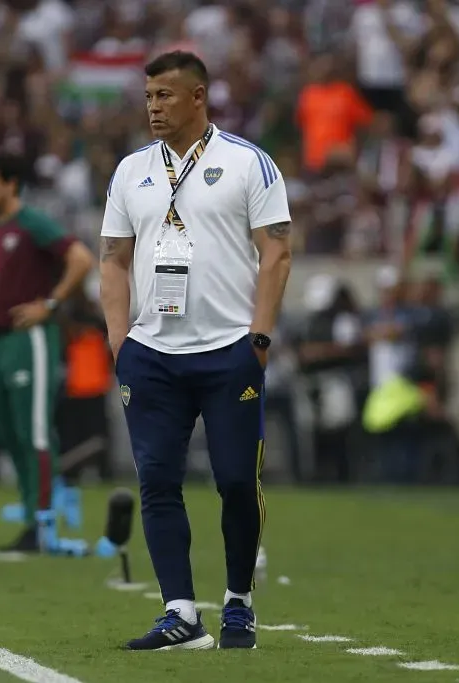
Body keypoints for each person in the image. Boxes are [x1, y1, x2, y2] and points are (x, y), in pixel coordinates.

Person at [99, 51, 291, 651]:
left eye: (164, 96)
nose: (153, 107)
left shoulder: (247, 164)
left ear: (198, 97)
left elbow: (277, 252)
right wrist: (118, 338)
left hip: (229, 348)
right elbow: (112, 257)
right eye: (149, 96)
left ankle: (238, 601)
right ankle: (180, 612)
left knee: (236, 481)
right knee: (157, 481)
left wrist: (258, 338)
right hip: (151, 353)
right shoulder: (132, 170)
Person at [0, 152, 95, 553]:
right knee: (8, 432)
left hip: (29, 339)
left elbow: (80, 258)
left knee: (33, 431)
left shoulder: (31, 223)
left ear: (11, 184)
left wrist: (50, 305)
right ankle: (30, 516)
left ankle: (42, 523)